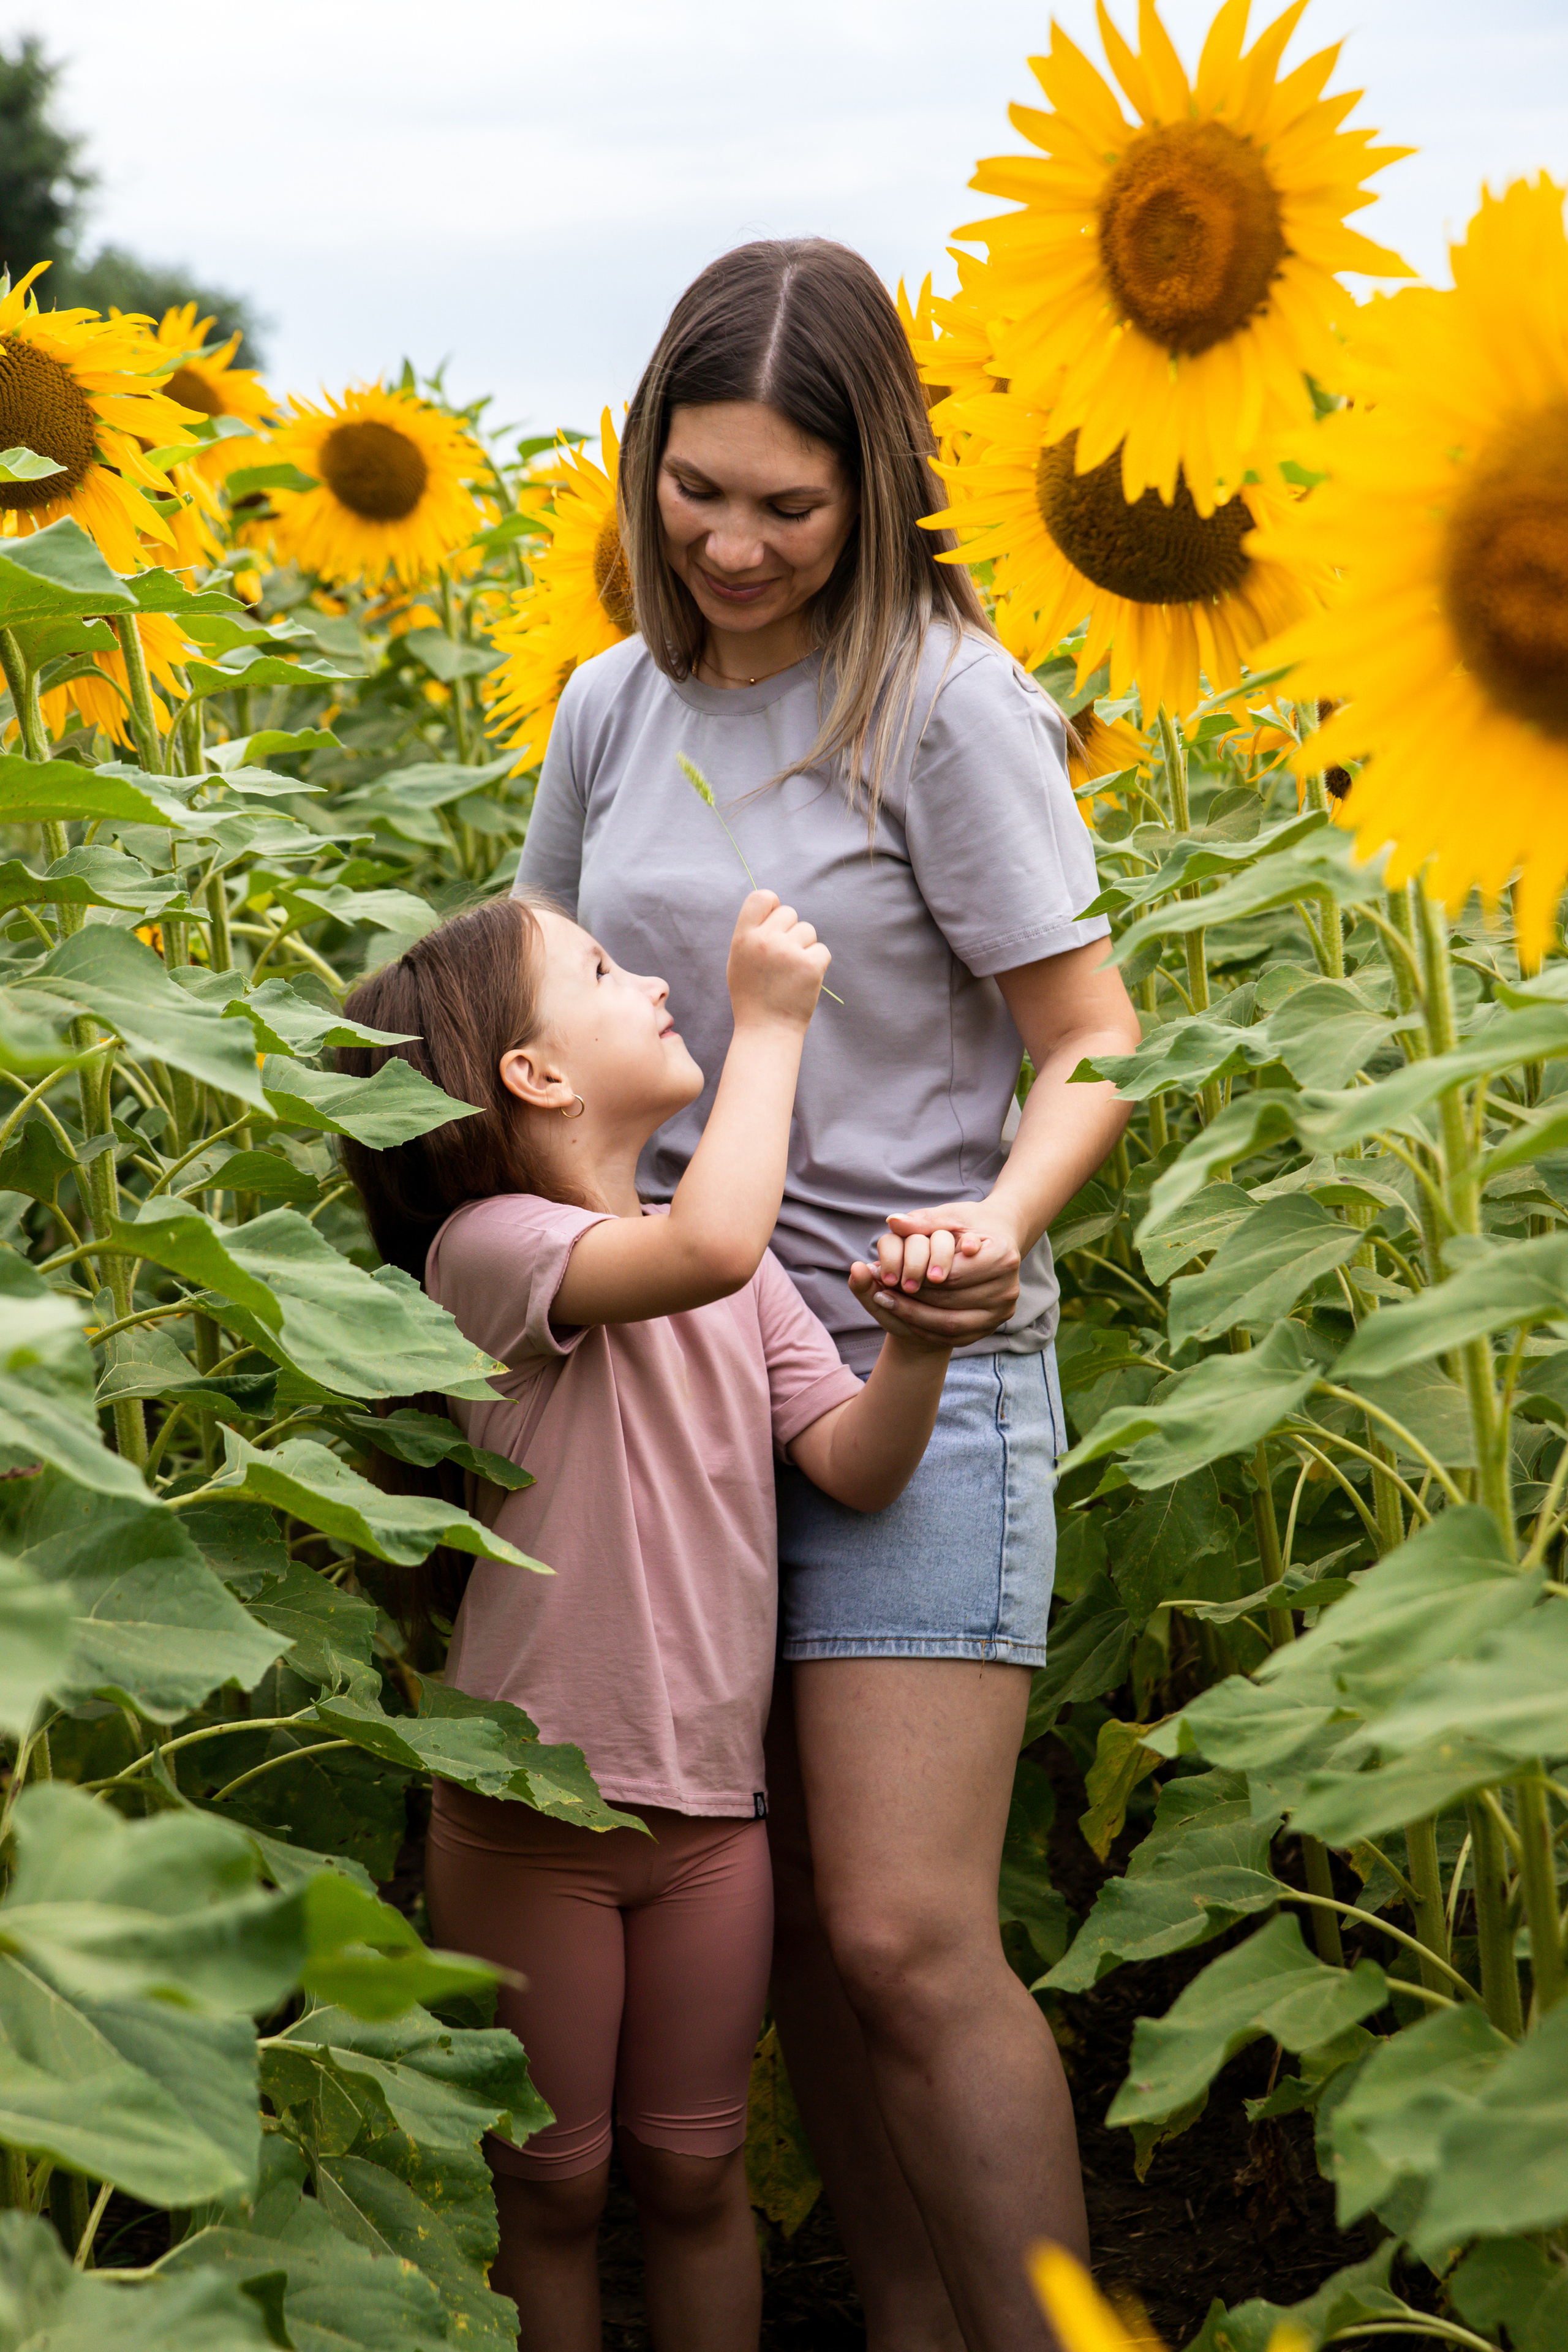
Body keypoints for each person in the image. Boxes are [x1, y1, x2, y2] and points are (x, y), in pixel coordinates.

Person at [513, 236, 1143, 2352]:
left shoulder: (941, 702)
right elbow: (530, 1009)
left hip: (907, 1347)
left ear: (878, 485)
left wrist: (1000, 1222)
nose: (736, 543)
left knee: (899, 1932)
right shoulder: (610, 705)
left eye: (791, 504)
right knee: (775, 1937)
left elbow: (1092, 1033)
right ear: (642, 462)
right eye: (697, 491)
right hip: (657, 1387)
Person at [337, 886, 957, 2352]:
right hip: (527, 1817)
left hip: (707, 1819)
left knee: (694, 2172)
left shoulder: (723, 1275)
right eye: (606, 972)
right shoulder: (491, 1252)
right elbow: (713, 1248)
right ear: (531, 1076)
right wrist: (774, 1022)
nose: (655, 984)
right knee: (548, 2191)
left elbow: (853, 1465)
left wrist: (918, 1352)